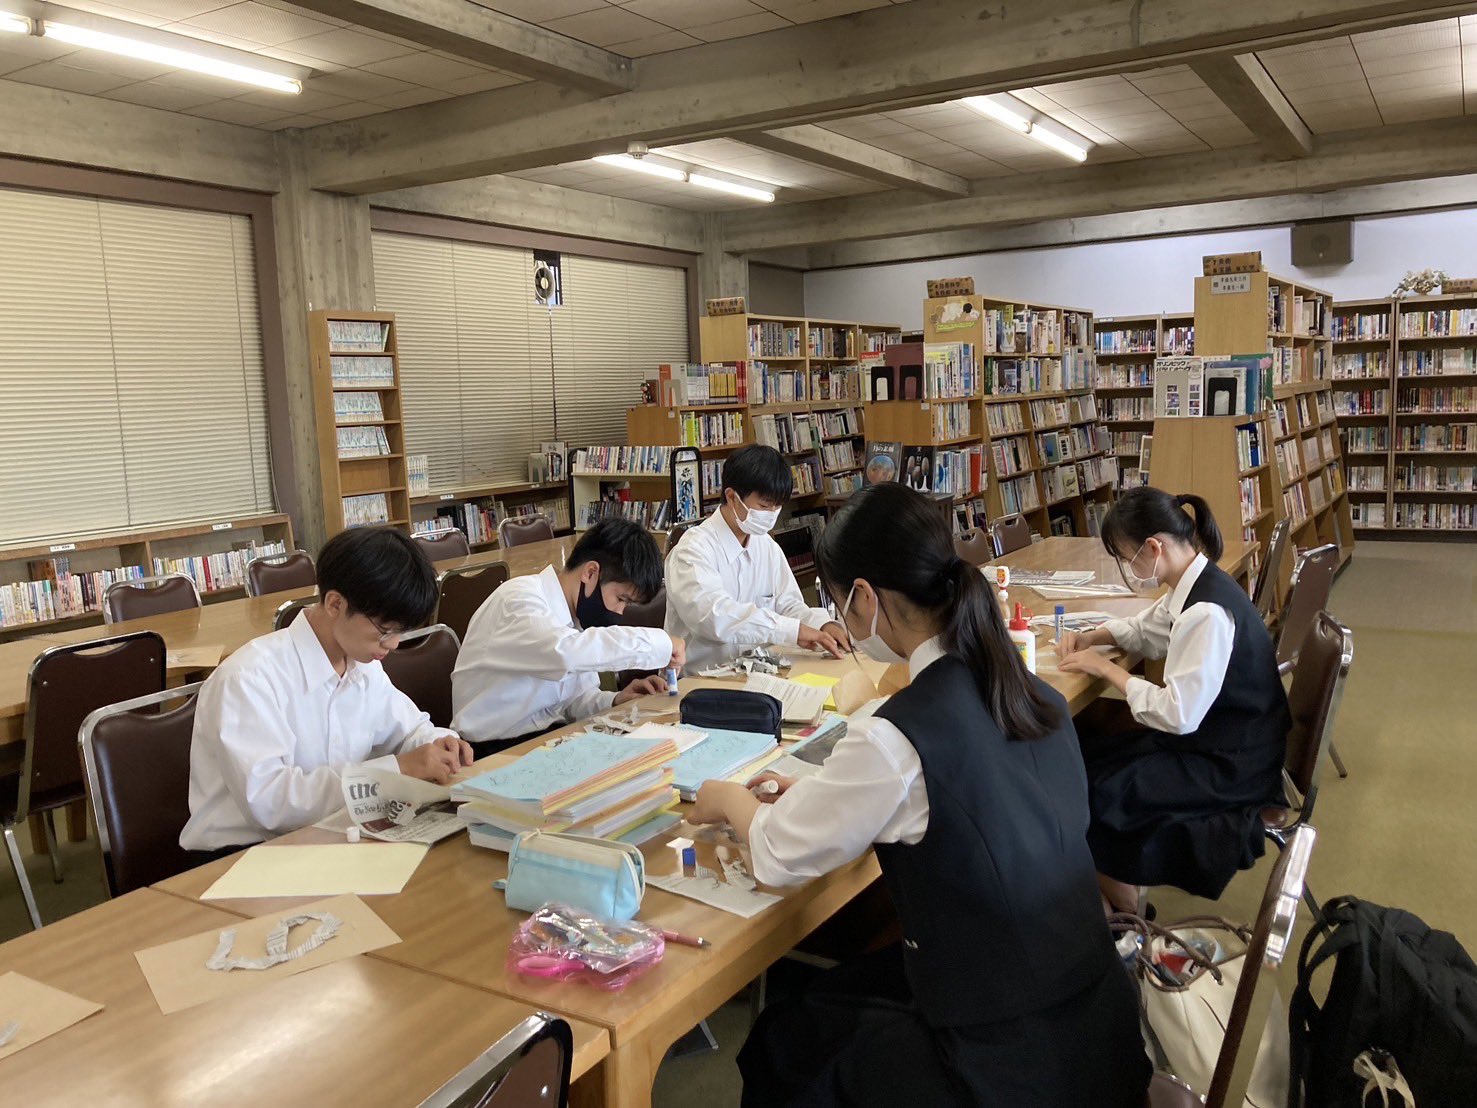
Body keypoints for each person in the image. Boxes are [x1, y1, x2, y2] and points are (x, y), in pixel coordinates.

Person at [689, 483, 1150, 1108]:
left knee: (787, 1040)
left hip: (1009, 1060)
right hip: (1097, 1019)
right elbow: (962, 792)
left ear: (864, 597)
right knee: (832, 1002)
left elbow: (775, 854)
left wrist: (726, 798)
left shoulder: (896, 734)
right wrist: (826, 793)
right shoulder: (1032, 692)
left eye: (839, 604)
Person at [1057, 486, 1291, 910]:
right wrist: (1098, 635)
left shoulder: (1206, 612)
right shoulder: (1195, 581)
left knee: (1092, 791)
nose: (1127, 569)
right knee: (1089, 762)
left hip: (1232, 764)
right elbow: (1149, 629)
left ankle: (1130, 913)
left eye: (1125, 558)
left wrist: (1106, 670)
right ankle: (1120, 898)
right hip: (1226, 740)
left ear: (1153, 548)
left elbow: (1178, 714)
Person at [180, 527, 474, 854]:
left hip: (334, 834)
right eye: (384, 630)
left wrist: (438, 743)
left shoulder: (363, 664)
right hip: (243, 854)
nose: (392, 645)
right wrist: (400, 768)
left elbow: (410, 729)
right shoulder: (248, 678)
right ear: (335, 603)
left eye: (400, 632)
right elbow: (271, 804)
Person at [452, 518, 685, 753]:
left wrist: (614, 700)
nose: (620, 611)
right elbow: (564, 655)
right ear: (590, 573)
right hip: (491, 751)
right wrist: (660, 644)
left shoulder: (576, 617)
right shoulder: (518, 601)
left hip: (546, 739)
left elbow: (572, 703)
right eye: (621, 599)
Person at [665, 444, 850, 672]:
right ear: (732, 497)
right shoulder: (692, 550)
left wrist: (822, 625)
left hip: (755, 672)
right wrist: (791, 631)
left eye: (777, 507)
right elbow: (714, 617)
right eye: (763, 505)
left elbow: (789, 605)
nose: (771, 514)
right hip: (700, 677)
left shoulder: (766, 546)